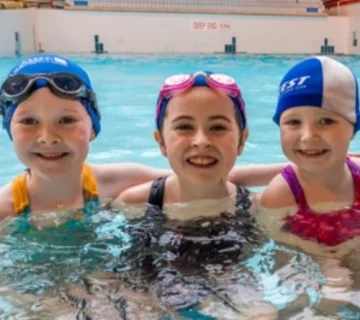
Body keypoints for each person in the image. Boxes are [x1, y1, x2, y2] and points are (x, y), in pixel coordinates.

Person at [0, 53, 286, 228]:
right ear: (9, 129)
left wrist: (298, 171)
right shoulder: (5, 207)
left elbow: (195, 176)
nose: (48, 137)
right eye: (28, 121)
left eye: (66, 120)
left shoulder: (112, 182)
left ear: (93, 128)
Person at [111, 71, 278, 319]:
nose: (201, 141)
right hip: (145, 291)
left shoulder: (254, 208)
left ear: (242, 140)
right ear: (161, 142)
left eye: (218, 127)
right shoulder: (137, 202)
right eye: (185, 127)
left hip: (226, 283)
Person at [259, 56, 360, 315]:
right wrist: (321, 257)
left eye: (326, 121)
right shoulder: (281, 194)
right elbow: (277, 244)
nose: (308, 136)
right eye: (293, 122)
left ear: (353, 127)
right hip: (303, 264)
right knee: (324, 299)